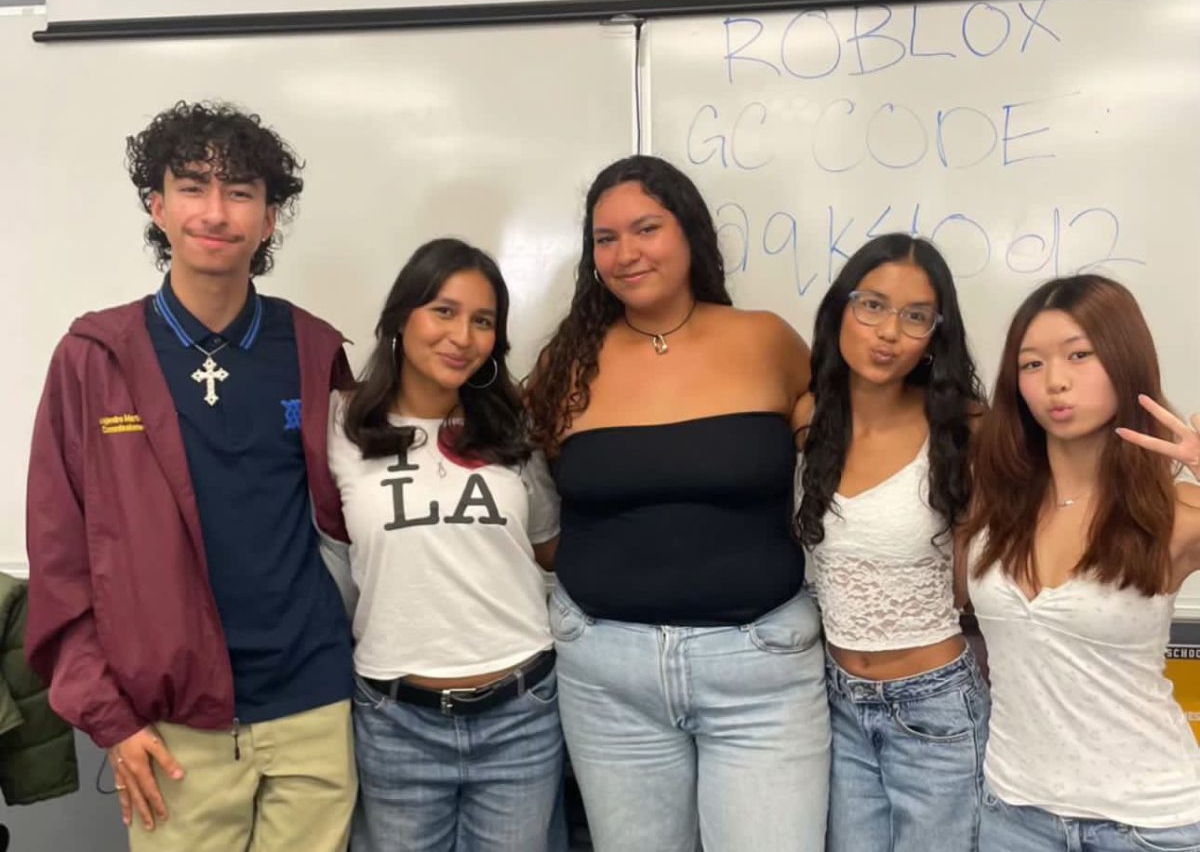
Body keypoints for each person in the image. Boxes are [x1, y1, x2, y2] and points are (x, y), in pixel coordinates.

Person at [24, 101, 357, 851]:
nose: (216, 211)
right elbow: (62, 559)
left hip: (310, 709)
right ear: (157, 206)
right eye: (192, 186)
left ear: (270, 219)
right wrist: (112, 718)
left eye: (240, 191)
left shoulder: (312, 348)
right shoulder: (94, 357)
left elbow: (351, 523)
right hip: (171, 727)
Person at [527, 155, 828, 852]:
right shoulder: (567, 362)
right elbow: (535, 495)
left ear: (689, 232)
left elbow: (858, 441)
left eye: (646, 228)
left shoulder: (766, 339)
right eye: (605, 238)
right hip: (607, 674)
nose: (626, 253)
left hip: (760, 670)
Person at [329, 238, 564, 852]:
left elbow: (550, 548)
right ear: (400, 319)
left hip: (522, 714)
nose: (463, 336)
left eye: (483, 321)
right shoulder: (340, 426)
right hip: (394, 721)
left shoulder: (513, 430)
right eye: (444, 311)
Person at [962, 274, 1200, 852]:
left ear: (1124, 360)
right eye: (1032, 364)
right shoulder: (996, 504)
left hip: (1149, 824)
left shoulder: (1175, 514)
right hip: (1013, 815)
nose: (1056, 382)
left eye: (1079, 355)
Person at [794, 233, 990, 851]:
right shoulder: (807, 418)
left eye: (915, 317)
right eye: (871, 305)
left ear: (936, 333)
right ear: (840, 310)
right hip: (836, 702)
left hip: (935, 707)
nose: (888, 333)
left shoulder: (964, 427)